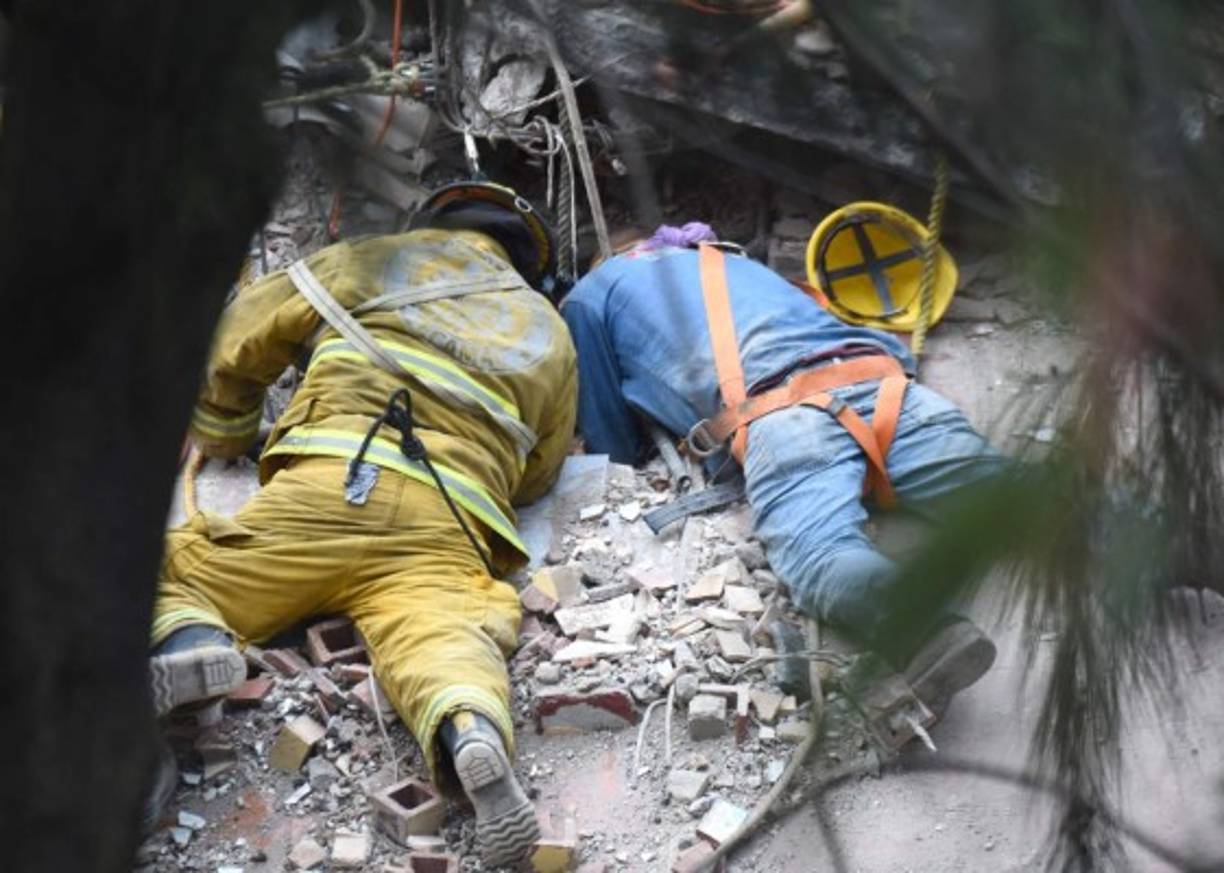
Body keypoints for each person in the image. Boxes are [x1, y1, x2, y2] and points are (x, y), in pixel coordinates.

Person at [147, 182, 577, 867]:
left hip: (334, 478)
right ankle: (469, 725)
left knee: (168, 568)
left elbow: (236, 335)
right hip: (450, 516)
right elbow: (538, 472)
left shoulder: (373, 257)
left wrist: (224, 430)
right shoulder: (550, 331)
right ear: (527, 260)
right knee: (442, 630)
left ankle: (189, 639)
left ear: (433, 219)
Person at [561, 222, 1006, 718]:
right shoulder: (729, 259)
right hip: (883, 385)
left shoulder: (591, 294)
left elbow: (612, 443)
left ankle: (928, 630)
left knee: (820, 555)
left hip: (784, 415)